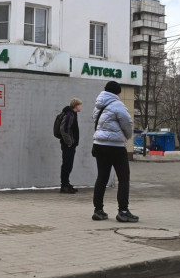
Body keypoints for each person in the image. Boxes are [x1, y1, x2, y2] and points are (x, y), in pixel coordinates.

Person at [91, 81, 137, 223]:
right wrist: (127, 137)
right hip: (115, 146)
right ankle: (123, 211)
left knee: (102, 177)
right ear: (117, 92)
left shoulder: (99, 105)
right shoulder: (117, 105)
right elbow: (127, 123)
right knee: (123, 177)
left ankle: (98, 210)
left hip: (99, 145)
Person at [58, 98, 82, 194]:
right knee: (66, 164)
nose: (81, 107)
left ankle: (66, 183)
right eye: (80, 105)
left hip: (70, 145)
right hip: (68, 145)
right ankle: (64, 185)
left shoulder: (72, 114)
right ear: (76, 106)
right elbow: (64, 129)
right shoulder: (69, 115)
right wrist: (69, 143)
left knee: (68, 164)